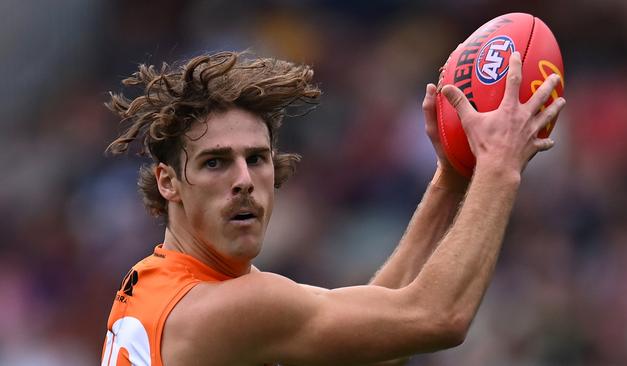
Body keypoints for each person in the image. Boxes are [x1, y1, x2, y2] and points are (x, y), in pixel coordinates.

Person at [100, 50, 565, 366]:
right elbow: (437, 317)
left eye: (256, 158)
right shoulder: (232, 307)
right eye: (215, 162)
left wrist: (451, 178)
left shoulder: (156, 283)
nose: (243, 180)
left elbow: (377, 345)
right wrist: (499, 166)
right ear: (168, 182)